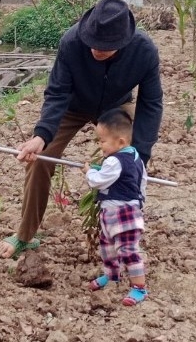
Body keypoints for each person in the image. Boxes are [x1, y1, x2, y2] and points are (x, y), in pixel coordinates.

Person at [0, 0, 163, 260]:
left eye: (105, 47)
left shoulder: (144, 51)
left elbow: (151, 104)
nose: (96, 49)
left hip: (115, 107)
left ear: (122, 42)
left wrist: (140, 156)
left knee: (128, 163)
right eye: (93, 42)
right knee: (39, 159)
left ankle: (121, 233)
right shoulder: (72, 42)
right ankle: (25, 236)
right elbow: (57, 92)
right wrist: (42, 135)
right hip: (72, 106)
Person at [84, 108, 148, 306]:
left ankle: (139, 287)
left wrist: (88, 172)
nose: (100, 145)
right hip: (113, 212)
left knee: (128, 250)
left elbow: (98, 182)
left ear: (120, 142)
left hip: (123, 214)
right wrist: (141, 200)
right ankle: (111, 276)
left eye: (102, 141)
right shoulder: (135, 156)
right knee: (108, 247)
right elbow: (142, 180)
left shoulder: (114, 160)